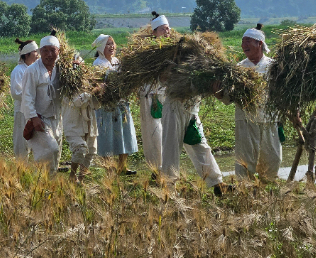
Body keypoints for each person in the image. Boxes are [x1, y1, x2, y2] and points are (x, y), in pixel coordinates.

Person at [161, 39, 226, 196]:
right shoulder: (171, 64)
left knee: (201, 146)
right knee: (171, 149)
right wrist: (174, 65)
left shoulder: (203, 67)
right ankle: (169, 188)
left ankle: (217, 183)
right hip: (174, 108)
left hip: (192, 110)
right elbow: (163, 78)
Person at [221, 24, 281, 179]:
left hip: (269, 119)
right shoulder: (238, 69)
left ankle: (267, 191)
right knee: (245, 161)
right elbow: (228, 98)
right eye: (242, 42)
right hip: (246, 120)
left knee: (273, 159)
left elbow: (282, 93)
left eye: (248, 41)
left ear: (259, 43)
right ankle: (245, 192)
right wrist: (217, 91)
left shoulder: (273, 66)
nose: (243, 45)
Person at [93, 34, 138, 174]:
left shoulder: (117, 61)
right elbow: (98, 85)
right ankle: (108, 168)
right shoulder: (98, 64)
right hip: (107, 105)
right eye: (108, 44)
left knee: (124, 134)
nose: (111, 46)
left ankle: (122, 166)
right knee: (107, 135)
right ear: (101, 47)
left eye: (112, 43)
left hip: (121, 103)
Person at [21, 32, 63, 171]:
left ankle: (51, 185)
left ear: (59, 51)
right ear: (40, 52)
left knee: (56, 155)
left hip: (57, 118)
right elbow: (27, 96)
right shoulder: (32, 70)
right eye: (45, 51)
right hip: (40, 119)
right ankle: (43, 181)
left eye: (52, 50)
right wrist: (33, 118)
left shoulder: (61, 68)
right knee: (51, 149)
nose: (49, 54)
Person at [63, 52, 101, 182]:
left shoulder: (89, 81)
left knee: (90, 151)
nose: (79, 69)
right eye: (76, 66)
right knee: (80, 149)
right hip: (74, 122)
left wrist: (100, 92)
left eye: (81, 66)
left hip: (90, 122)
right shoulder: (67, 84)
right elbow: (76, 102)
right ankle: (72, 176)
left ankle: (81, 178)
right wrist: (90, 92)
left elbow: (97, 104)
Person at [138, 12, 169, 172]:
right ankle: (157, 168)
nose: (167, 32)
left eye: (168, 29)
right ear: (154, 33)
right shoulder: (148, 51)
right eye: (163, 29)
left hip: (167, 96)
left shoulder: (172, 50)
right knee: (154, 133)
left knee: (167, 133)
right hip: (150, 96)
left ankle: (166, 167)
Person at [11, 38, 39, 159]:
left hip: (35, 112)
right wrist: (33, 93)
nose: (38, 54)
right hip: (22, 112)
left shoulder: (35, 69)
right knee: (22, 142)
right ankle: (21, 167)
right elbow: (17, 93)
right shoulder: (18, 71)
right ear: (27, 54)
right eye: (35, 51)